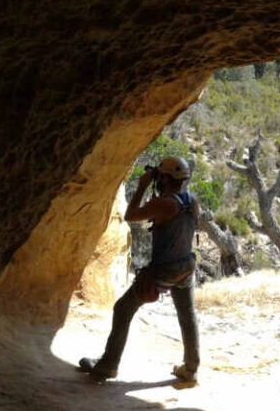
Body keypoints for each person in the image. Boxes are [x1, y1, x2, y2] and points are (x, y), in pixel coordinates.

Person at [79, 156, 201, 382]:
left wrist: (143, 186)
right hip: (186, 265)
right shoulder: (192, 200)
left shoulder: (164, 203)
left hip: (164, 270)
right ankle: (191, 368)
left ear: (164, 178)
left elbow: (130, 215)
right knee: (187, 314)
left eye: (159, 176)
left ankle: (108, 364)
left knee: (123, 309)